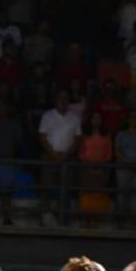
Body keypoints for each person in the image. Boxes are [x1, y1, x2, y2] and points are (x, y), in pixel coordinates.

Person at [38, 90, 82, 224]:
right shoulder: (47, 116)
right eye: (60, 98)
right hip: (50, 156)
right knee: (46, 187)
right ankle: (44, 218)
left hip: (67, 158)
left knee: (65, 189)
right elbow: (42, 137)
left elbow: (77, 138)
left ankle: (63, 218)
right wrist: (53, 154)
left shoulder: (74, 117)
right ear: (55, 100)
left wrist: (66, 154)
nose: (63, 101)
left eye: (65, 98)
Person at [114, 111, 136, 226]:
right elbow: (117, 150)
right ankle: (121, 221)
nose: (134, 120)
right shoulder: (121, 134)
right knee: (123, 192)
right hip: (123, 167)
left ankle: (134, 221)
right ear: (128, 120)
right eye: (132, 117)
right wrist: (127, 161)